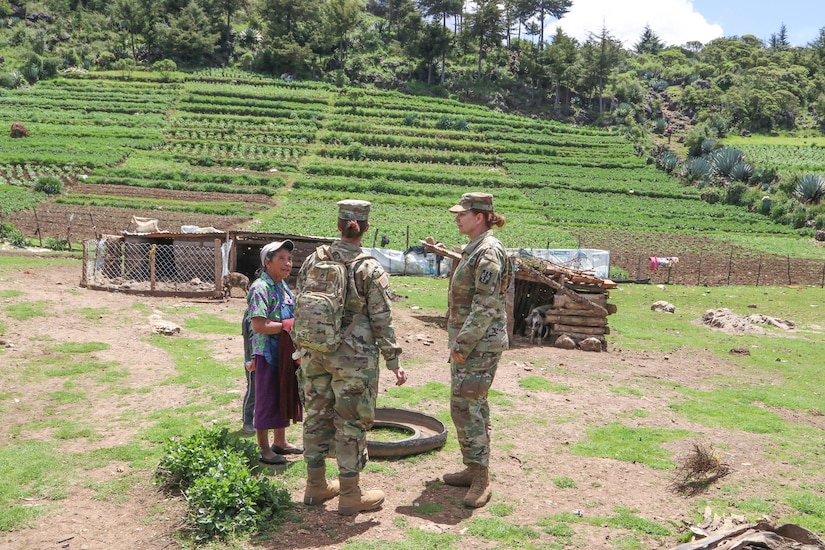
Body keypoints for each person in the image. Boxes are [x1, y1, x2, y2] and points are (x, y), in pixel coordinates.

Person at [297, 199, 408, 515]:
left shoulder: (313, 260)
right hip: (353, 359)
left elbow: (300, 302)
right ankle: (349, 494)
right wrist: (393, 361)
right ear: (366, 228)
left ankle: (315, 486)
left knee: (316, 415)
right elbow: (382, 319)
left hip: (314, 351)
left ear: (338, 225)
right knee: (350, 422)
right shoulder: (369, 268)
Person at [443, 192, 512, 508]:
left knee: (468, 406)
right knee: (468, 404)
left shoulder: (487, 253)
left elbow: (485, 306)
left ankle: (481, 478)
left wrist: (463, 344)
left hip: (478, 346)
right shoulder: (477, 249)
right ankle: (473, 468)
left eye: (462, 213)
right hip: (473, 344)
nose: (457, 218)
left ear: (480, 217)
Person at [246, 240, 304, 465]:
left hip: (283, 352)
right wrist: (287, 325)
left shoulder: (283, 287)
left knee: (283, 394)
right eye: (281, 258)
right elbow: (259, 326)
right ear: (267, 262)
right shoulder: (260, 288)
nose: (287, 263)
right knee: (266, 399)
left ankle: (280, 441)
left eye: (289, 259)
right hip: (266, 353)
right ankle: (264, 448)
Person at [241, 307, 255, 435]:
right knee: (253, 390)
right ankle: (247, 420)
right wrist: (253, 357)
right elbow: (252, 336)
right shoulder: (252, 313)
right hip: (253, 359)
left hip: (254, 355)